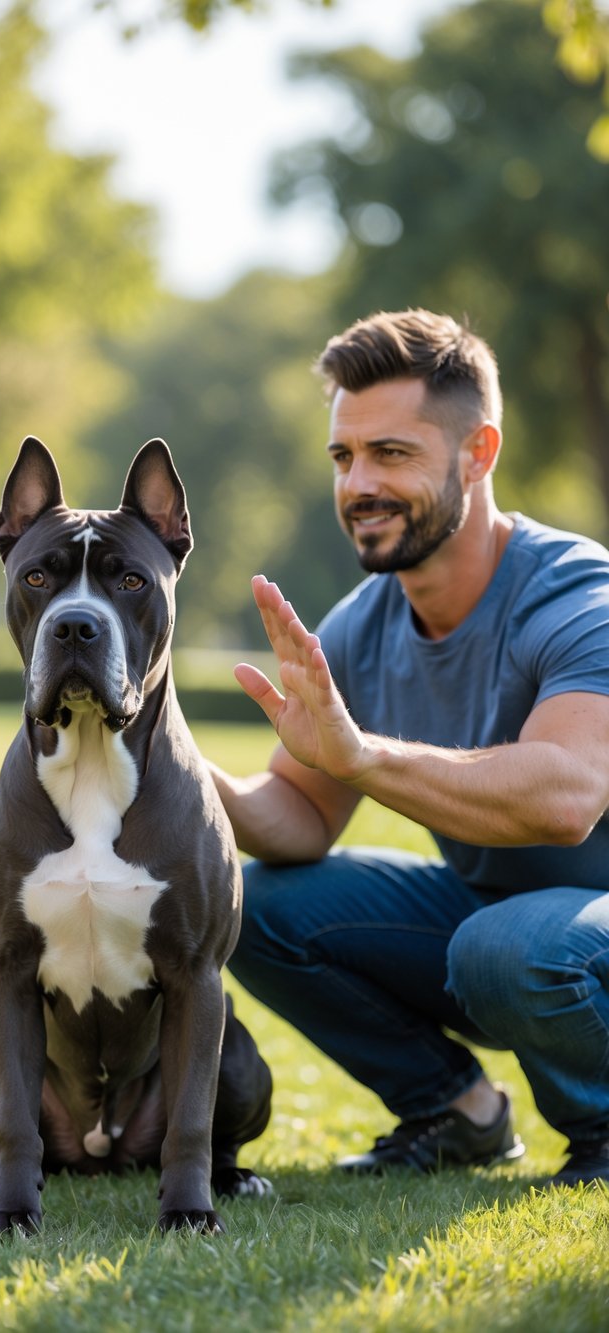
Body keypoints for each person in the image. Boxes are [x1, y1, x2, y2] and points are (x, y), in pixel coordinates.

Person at [209, 307, 609, 1185]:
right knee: (244, 898)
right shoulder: (366, 621)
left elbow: (569, 795)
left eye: (391, 454)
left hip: (565, 933)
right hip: (498, 929)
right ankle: (455, 1111)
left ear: (479, 453)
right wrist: (184, 777)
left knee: (506, 945)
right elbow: (304, 817)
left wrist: (364, 757)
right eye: (344, 457)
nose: (359, 486)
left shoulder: (579, 594)